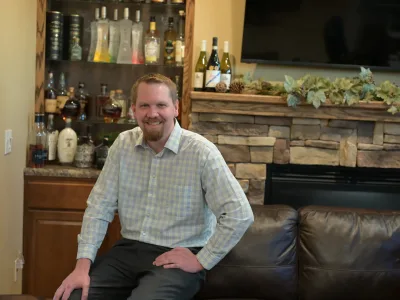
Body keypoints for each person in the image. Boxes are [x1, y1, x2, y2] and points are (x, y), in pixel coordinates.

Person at [53, 73, 254, 300]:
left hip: (177, 255)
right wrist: (82, 267)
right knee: (72, 296)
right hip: (128, 251)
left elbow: (240, 214)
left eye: (161, 105)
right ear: (133, 110)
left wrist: (201, 260)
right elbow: (99, 207)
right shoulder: (123, 145)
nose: (152, 113)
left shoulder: (201, 152)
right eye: (144, 106)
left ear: (176, 108)